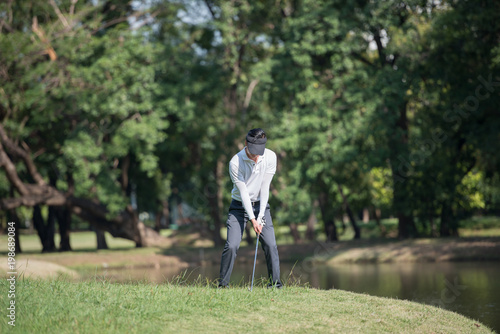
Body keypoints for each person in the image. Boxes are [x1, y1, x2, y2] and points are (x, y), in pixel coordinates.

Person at [219, 128, 282, 288]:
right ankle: (223, 285)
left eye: (259, 151)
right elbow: (244, 193)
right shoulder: (235, 162)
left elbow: (265, 187)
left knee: (270, 244)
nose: (256, 155)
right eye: (253, 151)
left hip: (261, 204)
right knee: (232, 245)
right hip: (239, 207)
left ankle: (275, 285)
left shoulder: (270, 157)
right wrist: (253, 220)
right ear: (246, 143)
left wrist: (260, 215)